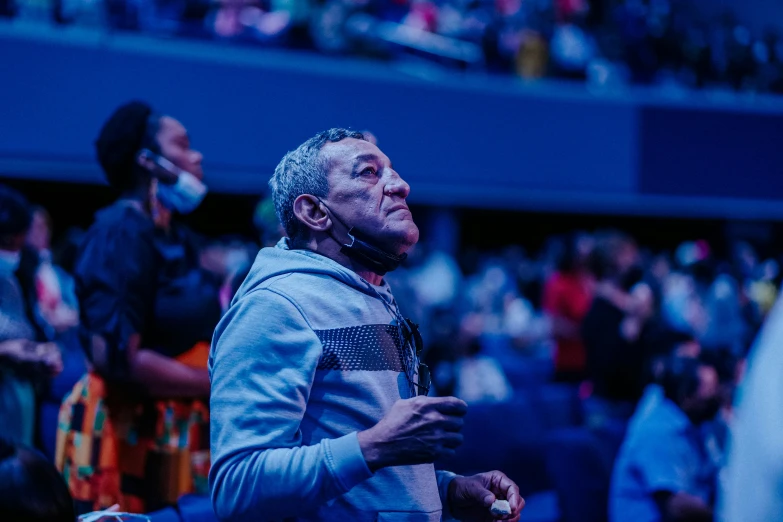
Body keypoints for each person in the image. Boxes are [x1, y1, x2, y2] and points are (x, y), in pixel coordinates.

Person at [209, 129, 524, 521]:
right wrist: (374, 446)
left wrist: (444, 490)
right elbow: (237, 486)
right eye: (370, 173)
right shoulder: (275, 308)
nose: (401, 185)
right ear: (315, 212)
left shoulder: (374, 297)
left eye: (392, 170)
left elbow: (364, 470)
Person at [55, 101, 222, 514]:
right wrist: (215, 383)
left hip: (175, 425)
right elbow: (116, 360)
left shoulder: (176, 236)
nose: (196, 155)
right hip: (126, 428)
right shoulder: (119, 234)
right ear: (148, 161)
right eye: (183, 145)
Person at [609, 355, 721, 522]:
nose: (717, 397)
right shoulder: (657, 430)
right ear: (686, 396)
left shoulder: (695, 425)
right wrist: (728, 514)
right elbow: (676, 506)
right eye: (709, 392)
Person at [0, 185, 62, 447]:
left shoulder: (16, 279)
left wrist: (41, 351)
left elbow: (24, 328)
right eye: (6, 243)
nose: (12, 253)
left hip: (17, 401)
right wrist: (6, 351)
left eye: (17, 244)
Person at [542, 232, 595, 383]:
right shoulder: (558, 283)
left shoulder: (594, 282)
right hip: (569, 363)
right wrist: (588, 333)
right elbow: (553, 326)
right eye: (582, 253)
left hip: (594, 361)